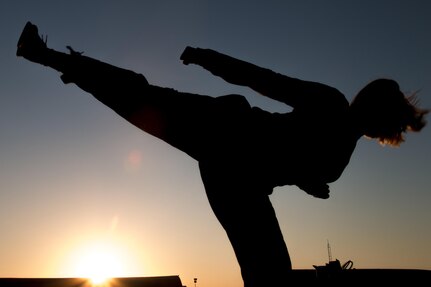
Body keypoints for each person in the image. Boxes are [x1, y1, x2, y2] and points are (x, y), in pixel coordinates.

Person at [16, 22, 427, 287]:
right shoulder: (332, 110)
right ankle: (46, 55)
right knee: (141, 98)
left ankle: (46, 56)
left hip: (237, 180)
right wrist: (208, 59)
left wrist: (307, 180)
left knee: (271, 274)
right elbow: (266, 82)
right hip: (225, 131)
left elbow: (289, 154)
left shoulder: (340, 150)